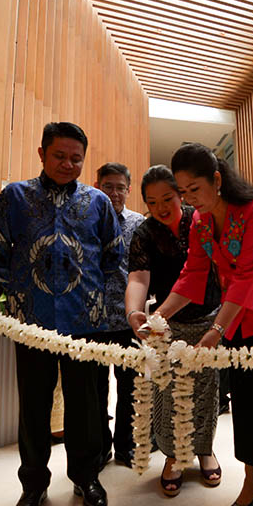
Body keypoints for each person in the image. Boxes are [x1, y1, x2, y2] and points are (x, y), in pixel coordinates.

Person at [153, 143, 253, 506]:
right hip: (238, 311)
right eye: (184, 193)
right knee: (244, 393)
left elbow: (248, 276)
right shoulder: (200, 221)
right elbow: (193, 274)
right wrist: (159, 316)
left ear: (218, 179)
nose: (191, 199)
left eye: (195, 189)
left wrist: (217, 330)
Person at [0, 122, 122, 506]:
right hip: (31, 318)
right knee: (33, 404)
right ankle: (33, 485)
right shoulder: (15, 196)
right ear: (42, 153)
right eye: (60, 156)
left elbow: (113, 253)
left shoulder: (97, 202)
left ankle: (86, 477)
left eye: (76, 159)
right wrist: (25, 288)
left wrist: (90, 290)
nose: (68, 164)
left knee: (86, 403)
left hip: (85, 320)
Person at [125, 164, 222, 497]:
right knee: (168, 392)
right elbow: (139, 278)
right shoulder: (144, 233)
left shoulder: (201, 219)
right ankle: (173, 457)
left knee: (206, 389)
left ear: (180, 194)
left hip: (209, 317)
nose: (161, 207)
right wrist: (134, 312)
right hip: (167, 325)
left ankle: (205, 450)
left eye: (168, 197)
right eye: (152, 202)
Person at [92, 162, 144, 469]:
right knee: (96, 389)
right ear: (97, 186)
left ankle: (126, 446)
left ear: (128, 189)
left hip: (128, 319)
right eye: (108, 186)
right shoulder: (85, 219)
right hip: (93, 320)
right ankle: (100, 447)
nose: (114, 193)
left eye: (120, 187)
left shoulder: (138, 223)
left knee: (129, 388)